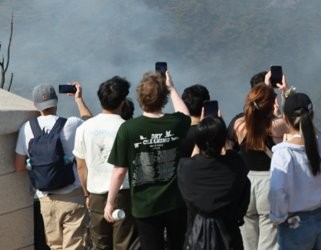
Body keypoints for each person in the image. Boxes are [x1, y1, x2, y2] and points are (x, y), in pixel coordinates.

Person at [104, 70, 191, 250]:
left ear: (139, 99)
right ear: (164, 99)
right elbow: (186, 114)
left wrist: (110, 202)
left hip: (145, 205)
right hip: (175, 202)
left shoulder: (128, 128)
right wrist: (171, 87)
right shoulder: (175, 123)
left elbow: (119, 171)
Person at [14, 82, 93, 250]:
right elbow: (90, 124)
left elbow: (19, 166)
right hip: (72, 196)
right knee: (75, 246)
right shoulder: (71, 124)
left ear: (35, 105)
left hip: (46, 199)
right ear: (56, 102)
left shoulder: (27, 128)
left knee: (56, 247)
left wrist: (34, 165)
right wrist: (78, 99)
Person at [269, 92, 321, 250]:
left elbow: (277, 189)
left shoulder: (284, 153)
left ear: (285, 119)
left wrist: (278, 217)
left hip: (294, 222)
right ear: (312, 115)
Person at [72, 76, 138, 250]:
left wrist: (87, 195)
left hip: (95, 196)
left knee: (101, 244)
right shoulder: (129, 129)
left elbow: (81, 167)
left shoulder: (83, 128)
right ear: (123, 101)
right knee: (124, 244)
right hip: (124, 194)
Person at [177, 117, 251, 249]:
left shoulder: (185, 168)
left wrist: (202, 134)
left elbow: (193, 160)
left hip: (195, 238)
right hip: (229, 238)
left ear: (198, 143)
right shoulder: (236, 165)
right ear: (223, 140)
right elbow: (232, 155)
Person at [231, 83, 284, 250]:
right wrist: (285, 94)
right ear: (270, 107)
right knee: (269, 243)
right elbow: (296, 121)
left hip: (245, 183)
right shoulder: (276, 126)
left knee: (248, 243)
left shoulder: (239, 125)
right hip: (268, 183)